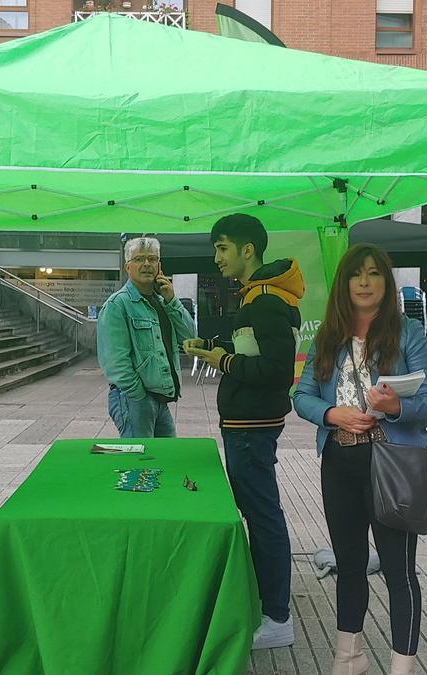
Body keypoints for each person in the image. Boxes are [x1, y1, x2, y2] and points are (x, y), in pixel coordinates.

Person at [292, 244, 427, 675]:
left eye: (374, 274)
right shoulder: (328, 334)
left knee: (399, 571)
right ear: (343, 284)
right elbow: (301, 395)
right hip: (339, 463)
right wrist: (329, 413)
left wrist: (396, 406)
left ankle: (402, 667)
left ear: (386, 283)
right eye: (356, 275)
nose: (364, 282)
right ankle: (348, 658)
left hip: (391, 464)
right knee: (349, 566)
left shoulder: (408, 333)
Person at [183, 213, 303, 650]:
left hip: (252, 427)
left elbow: (275, 370)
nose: (216, 257)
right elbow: (256, 350)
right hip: (247, 424)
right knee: (260, 514)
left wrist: (223, 362)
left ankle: (277, 617)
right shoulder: (257, 296)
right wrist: (220, 350)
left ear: (247, 250)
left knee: (264, 518)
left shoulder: (266, 300)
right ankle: (267, 604)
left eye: (222, 248)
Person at [97, 236, 196, 437]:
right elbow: (115, 362)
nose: (146, 264)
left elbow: (190, 338)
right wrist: (138, 395)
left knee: (165, 459)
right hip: (134, 399)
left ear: (159, 265)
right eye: (139, 259)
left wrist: (172, 300)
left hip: (161, 399)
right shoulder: (118, 305)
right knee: (139, 462)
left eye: (152, 259)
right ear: (128, 267)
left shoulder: (162, 300)